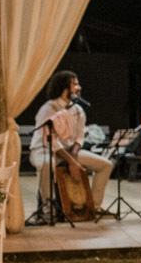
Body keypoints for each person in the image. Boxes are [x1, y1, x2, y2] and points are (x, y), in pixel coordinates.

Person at [29, 71, 113, 219]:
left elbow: (79, 138)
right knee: (47, 164)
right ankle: (49, 211)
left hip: (69, 152)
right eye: (74, 84)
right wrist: (71, 161)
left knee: (105, 165)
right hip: (43, 150)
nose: (79, 87)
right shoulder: (49, 108)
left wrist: (73, 157)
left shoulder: (78, 110)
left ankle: (93, 207)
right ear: (63, 87)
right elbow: (51, 142)